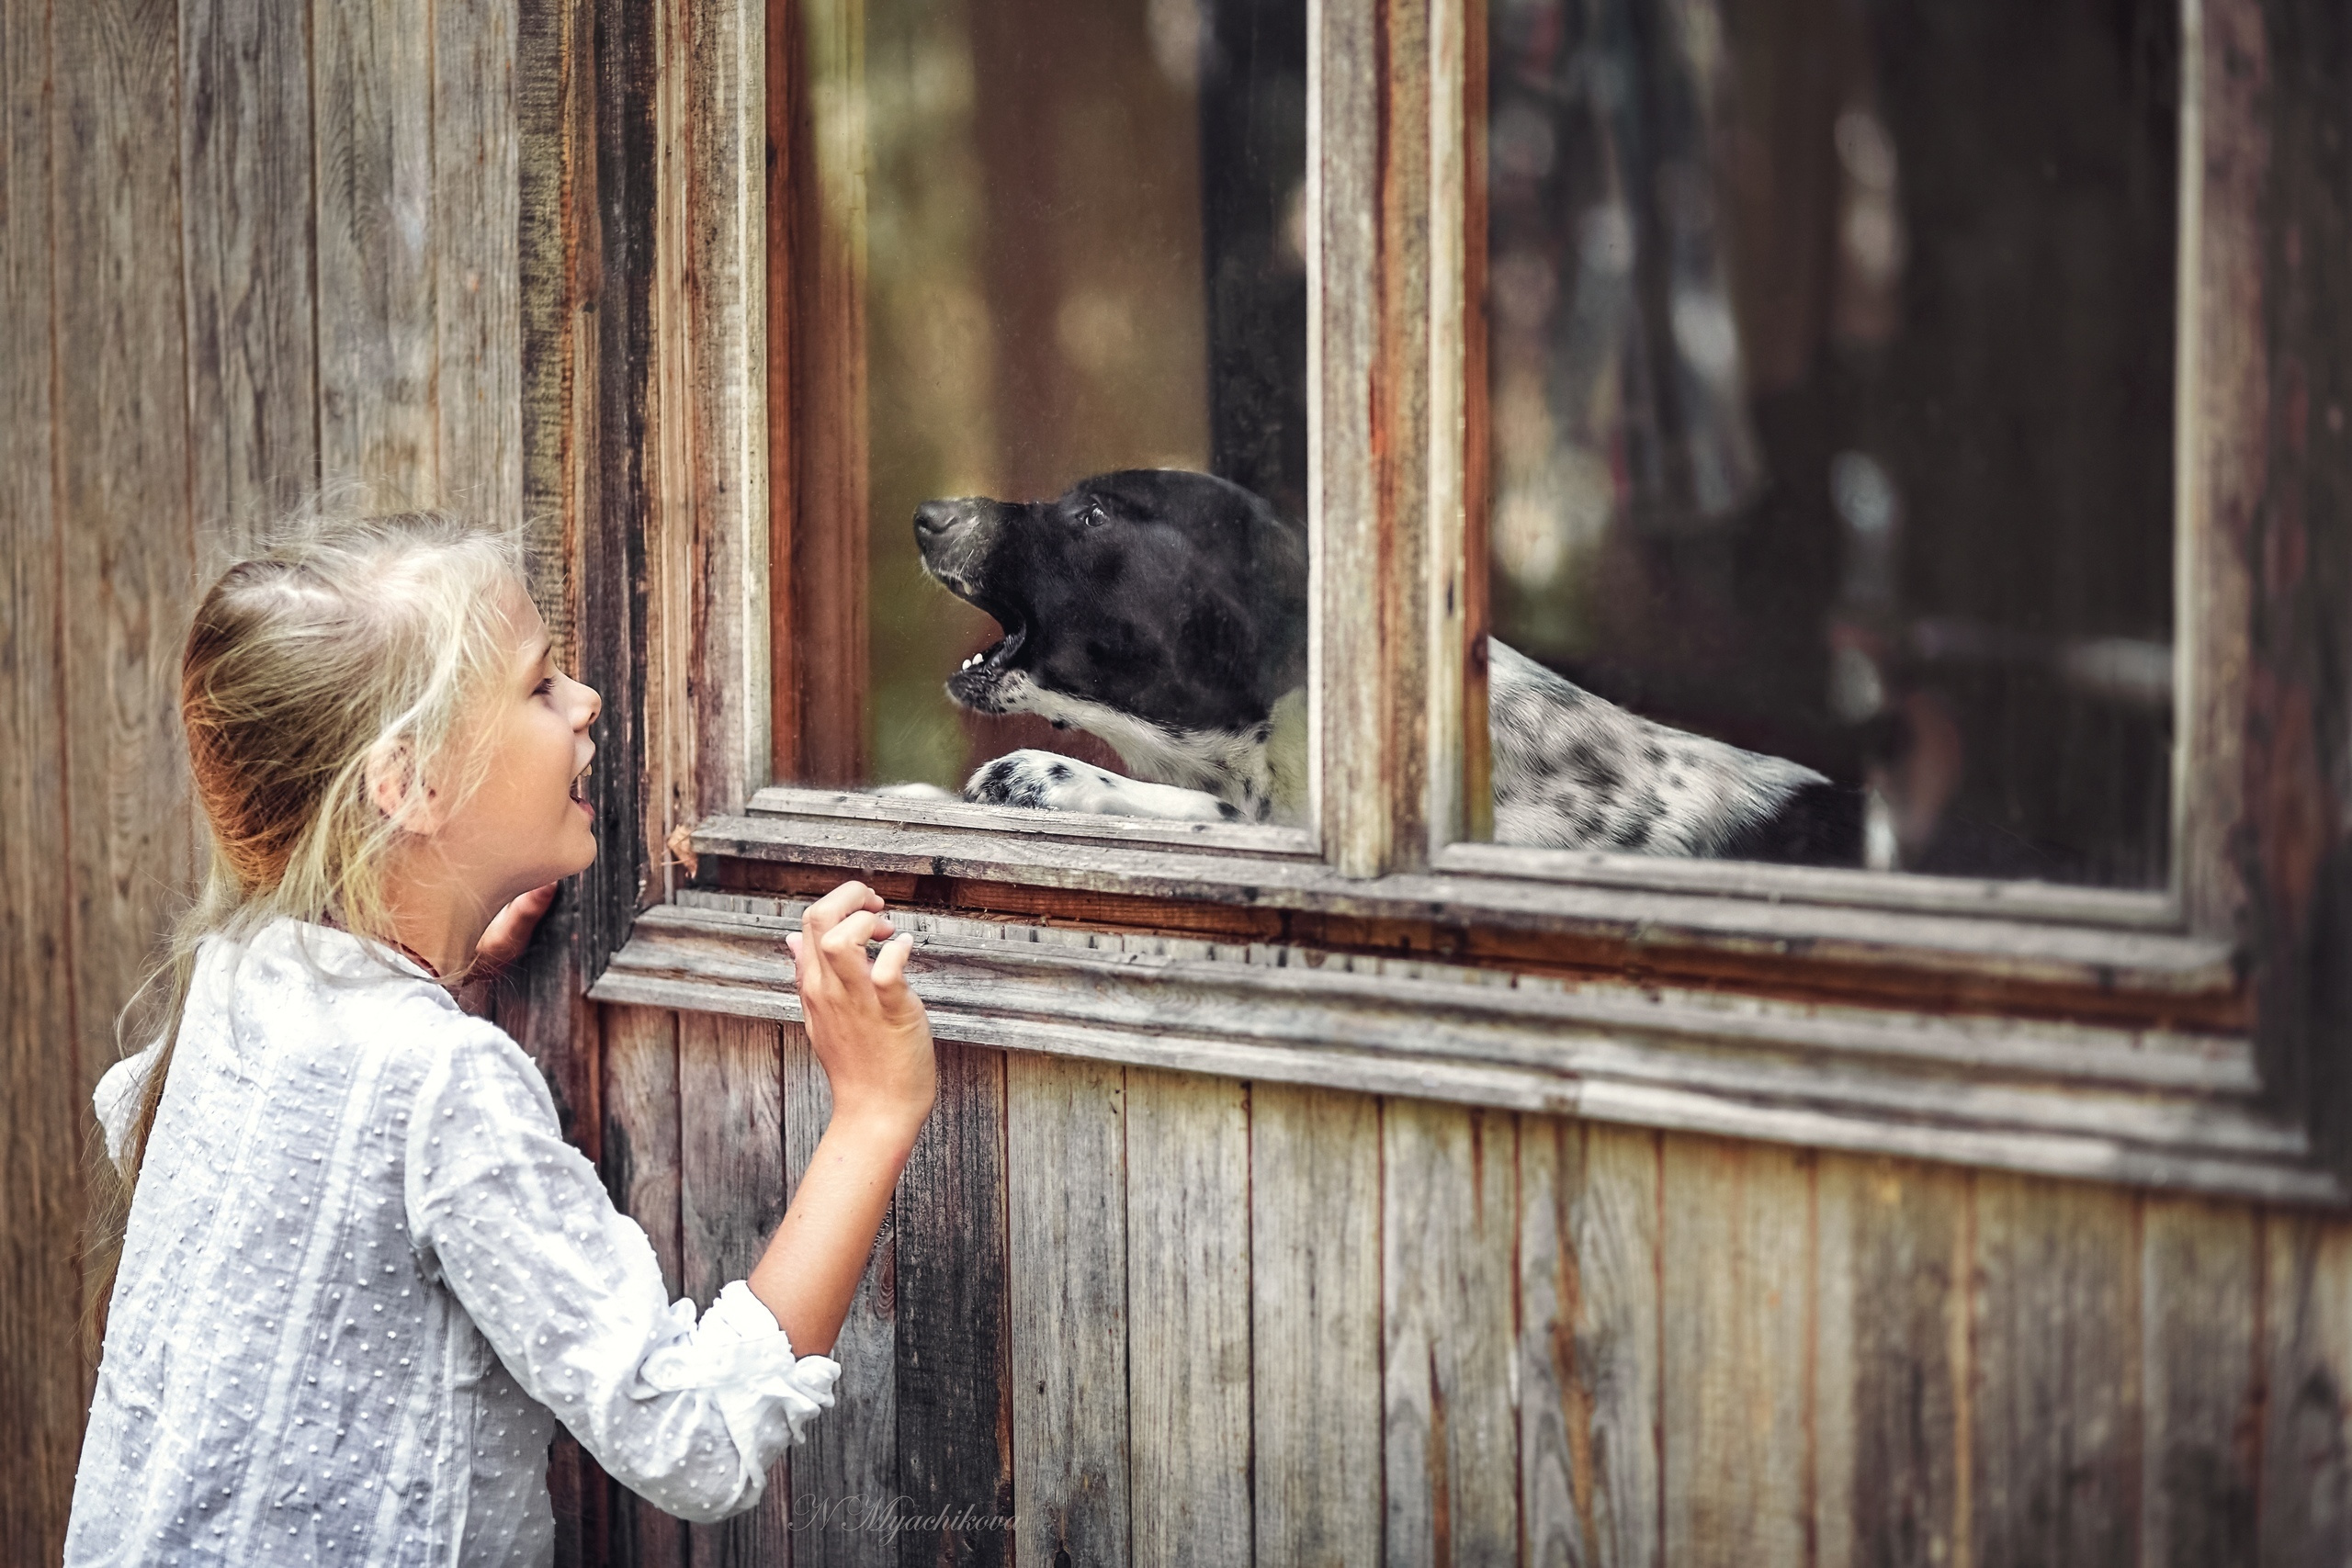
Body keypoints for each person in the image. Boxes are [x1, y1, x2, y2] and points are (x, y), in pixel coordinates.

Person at [63, 512, 937, 1564]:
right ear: (412, 786)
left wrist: (454, 960)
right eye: (538, 686)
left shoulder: (246, 974)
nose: (587, 701)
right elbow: (696, 1441)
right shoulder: (440, 1079)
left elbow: (228, 1153)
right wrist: (875, 1112)